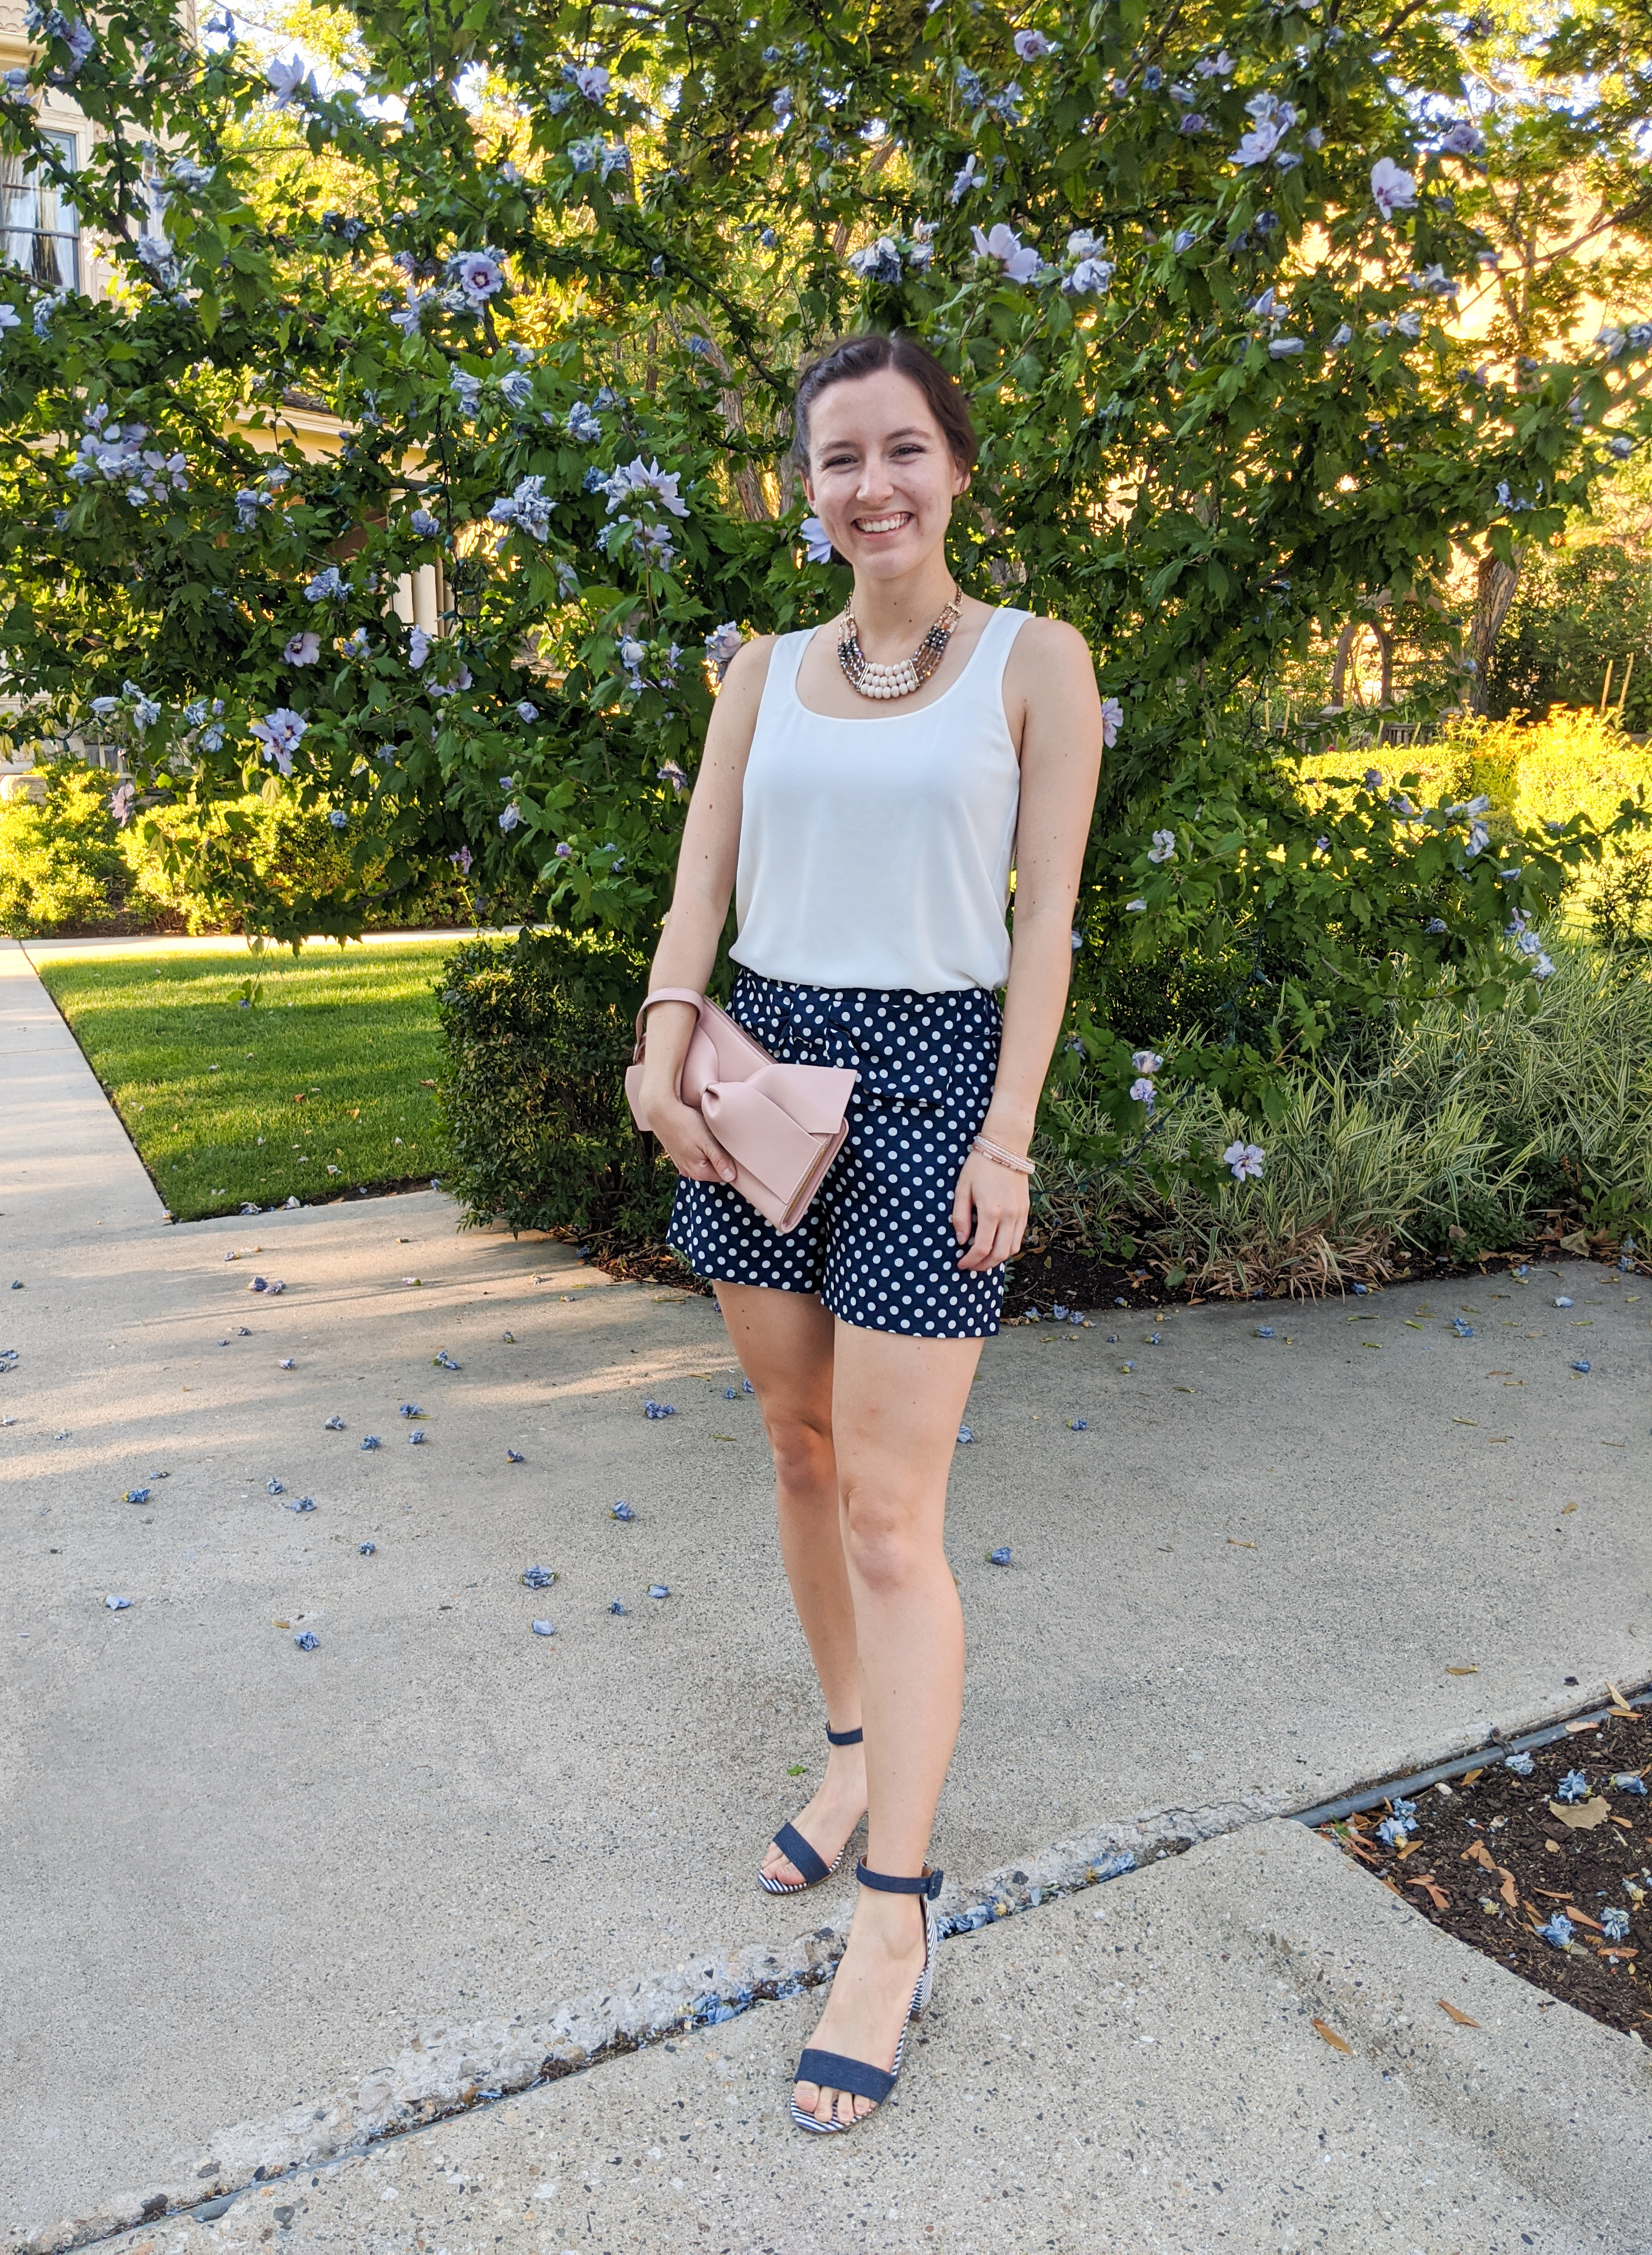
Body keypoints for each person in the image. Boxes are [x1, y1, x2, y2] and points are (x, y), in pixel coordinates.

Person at [634, 330, 1103, 2133]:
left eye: (902, 450)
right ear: (804, 485)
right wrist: (662, 1041)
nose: (871, 485)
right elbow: (702, 870)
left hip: (931, 1086)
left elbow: (1044, 923)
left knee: (900, 1516)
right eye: (838, 458)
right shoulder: (758, 669)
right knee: (797, 1448)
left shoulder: (1031, 661)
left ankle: (895, 1920)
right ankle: (844, 1763)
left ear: (957, 469)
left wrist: (1010, 1136)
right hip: (757, 1065)